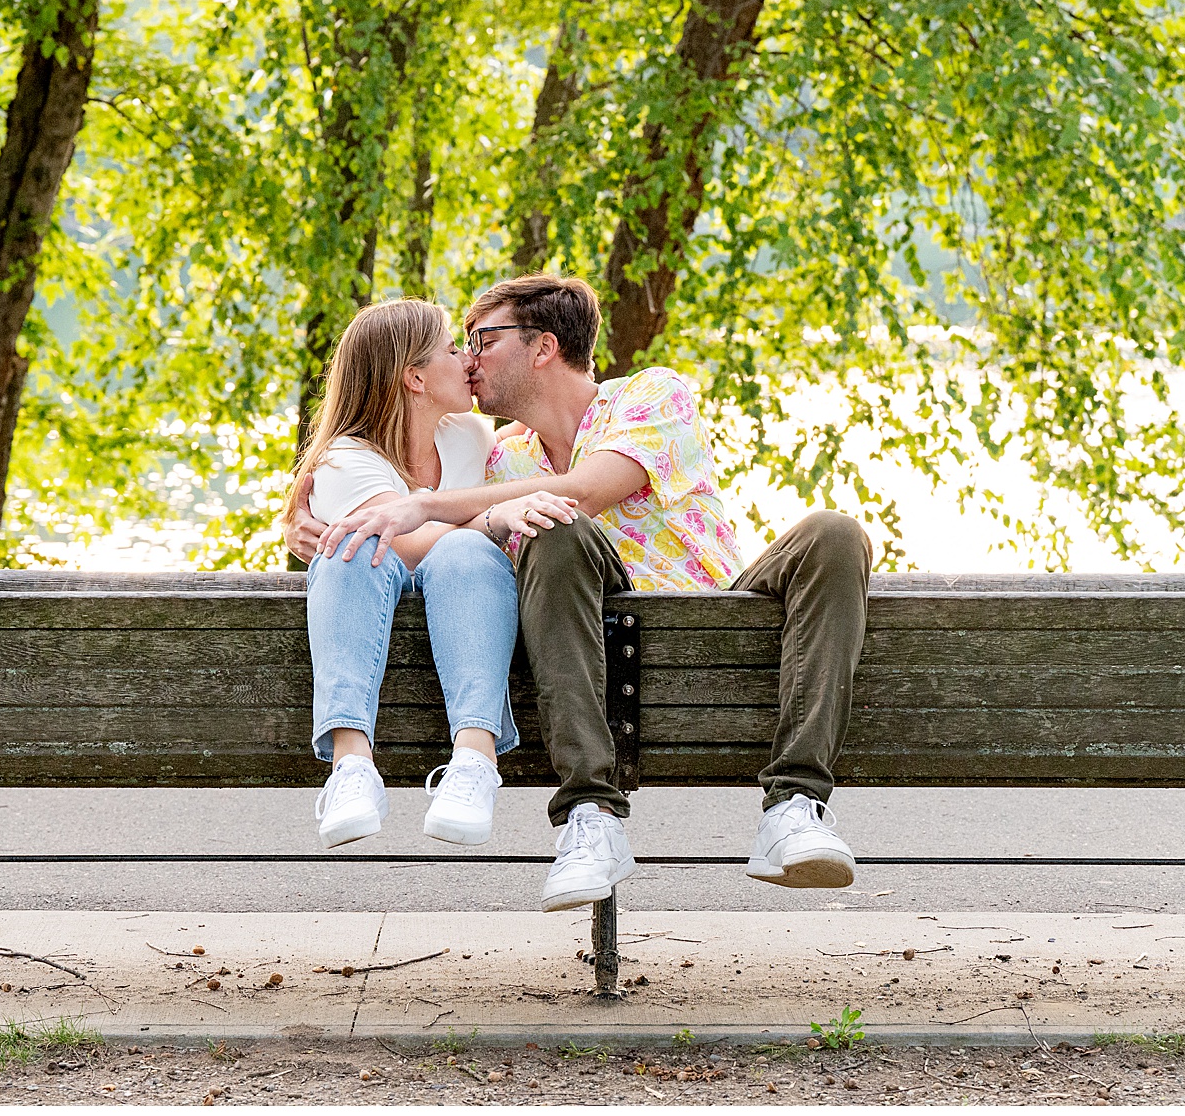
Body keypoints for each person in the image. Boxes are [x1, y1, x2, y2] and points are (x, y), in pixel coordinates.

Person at [288, 276, 872, 913]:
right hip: (593, 648)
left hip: (714, 628)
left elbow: (583, 490)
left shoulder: (654, 394)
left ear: (542, 348)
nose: (470, 357)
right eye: (461, 344)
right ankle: (590, 815)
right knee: (554, 528)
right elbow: (416, 491)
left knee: (834, 533)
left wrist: (420, 505)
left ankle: (794, 805)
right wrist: (302, 516)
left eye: (482, 339)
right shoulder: (501, 460)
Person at [280, 298, 577, 851]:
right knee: (350, 548)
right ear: (415, 377)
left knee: (465, 550)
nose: (468, 358)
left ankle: (473, 761)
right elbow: (408, 543)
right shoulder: (346, 459)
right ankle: (351, 768)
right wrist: (490, 518)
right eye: (451, 348)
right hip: (375, 593)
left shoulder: (464, 435)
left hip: (465, 599)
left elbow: (532, 441)